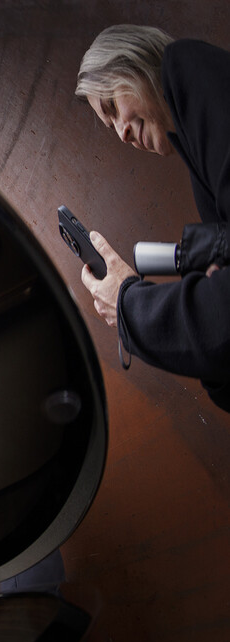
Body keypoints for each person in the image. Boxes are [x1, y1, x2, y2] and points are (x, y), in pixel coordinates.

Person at [75, 25, 230, 411]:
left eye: (114, 108)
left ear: (132, 65)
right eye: (110, 127)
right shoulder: (197, 148)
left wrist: (127, 304)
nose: (122, 134)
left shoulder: (186, 65)